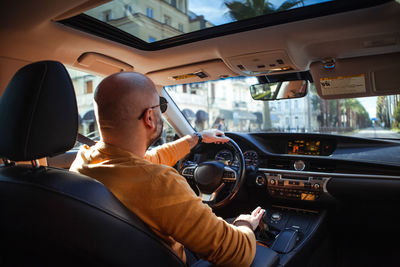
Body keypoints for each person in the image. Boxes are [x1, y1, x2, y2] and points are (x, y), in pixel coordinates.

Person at [70, 72, 265, 266]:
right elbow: (239, 253)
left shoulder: (85, 159)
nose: (161, 111)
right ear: (149, 117)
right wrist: (244, 223)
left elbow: (149, 160)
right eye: (161, 106)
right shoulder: (160, 183)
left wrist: (197, 138)